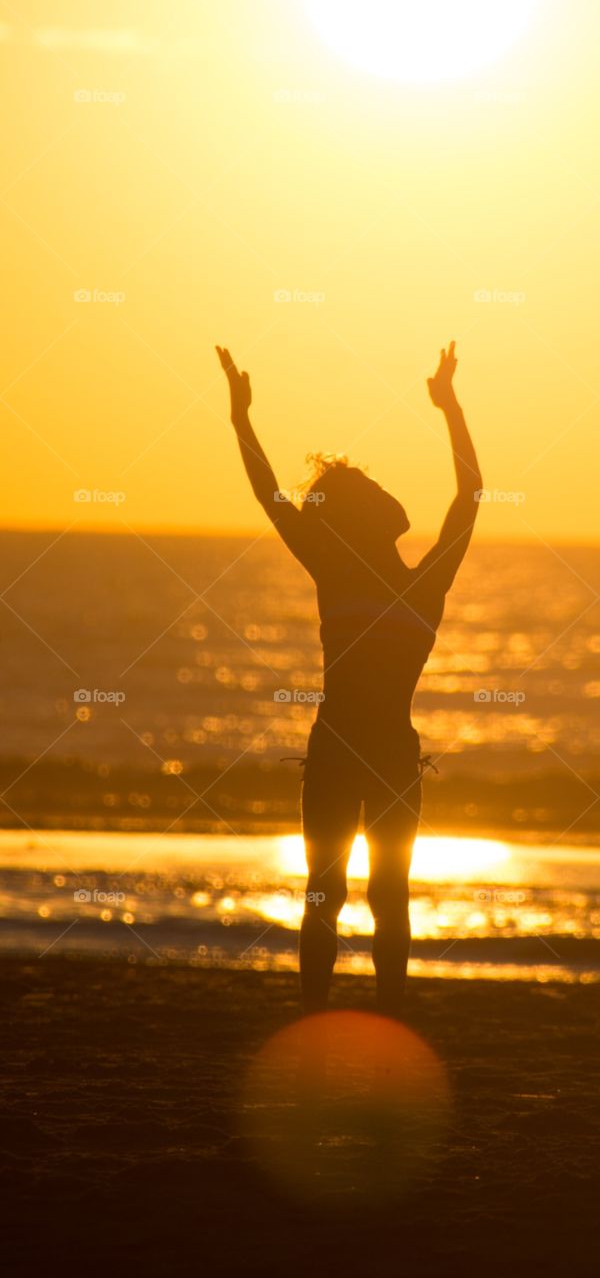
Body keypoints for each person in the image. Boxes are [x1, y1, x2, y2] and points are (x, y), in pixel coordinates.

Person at [216, 341, 481, 1015]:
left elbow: (471, 492)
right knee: (323, 892)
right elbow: (268, 493)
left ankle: (388, 1021)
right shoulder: (338, 573)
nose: (386, 493)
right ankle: (313, 1019)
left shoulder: (425, 585)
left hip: (391, 751)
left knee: (388, 896)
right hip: (339, 749)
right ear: (360, 517)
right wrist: (240, 417)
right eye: (369, 490)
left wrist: (450, 406)